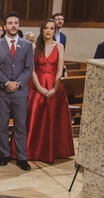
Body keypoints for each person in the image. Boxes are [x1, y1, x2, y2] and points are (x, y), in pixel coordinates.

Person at [24, 17, 76, 163]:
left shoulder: (59, 46)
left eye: (51, 28)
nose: (49, 31)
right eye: (46, 28)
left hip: (54, 86)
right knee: (34, 117)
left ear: (55, 31)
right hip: (37, 85)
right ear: (42, 30)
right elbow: (31, 69)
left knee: (53, 118)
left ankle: (53, 151)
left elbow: (60, 69)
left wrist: (55, 88)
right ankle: (32, 150)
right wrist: (40, 88)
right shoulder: (34, 47)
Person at [0, 12, 34, 171]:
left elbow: (29, 68)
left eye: (16, 23)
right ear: (4, 26)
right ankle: (5, 155)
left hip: (20, 92)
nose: (13, 25)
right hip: (3, 91)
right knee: (2, 124)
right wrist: (7, 83)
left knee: (21, 125)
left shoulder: (27, 45)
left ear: (18, 25)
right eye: (10, 23)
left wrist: (17, 84)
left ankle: (22, 157)